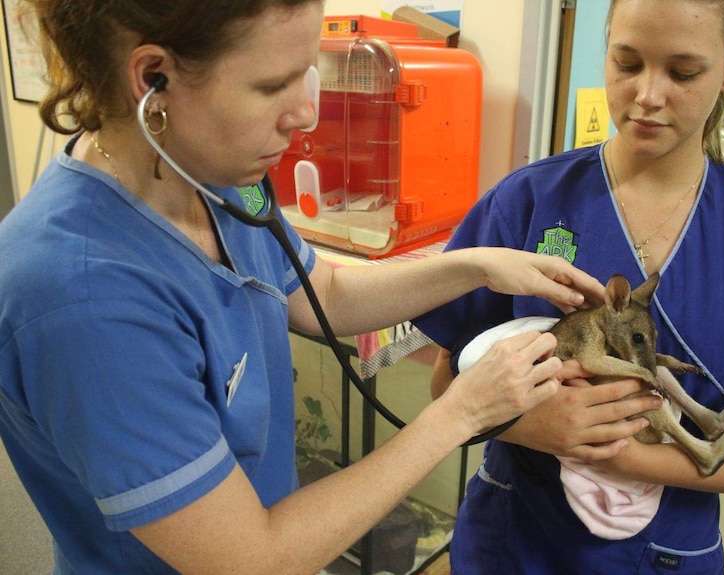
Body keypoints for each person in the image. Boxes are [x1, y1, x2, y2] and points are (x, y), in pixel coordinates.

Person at [0, 2, 666, 574]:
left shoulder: (211, 170)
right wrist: (461, 413)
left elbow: (325, 295)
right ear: (154, 78)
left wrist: (480, 264)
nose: (309, 112)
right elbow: (251, 557)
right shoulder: (80, 298)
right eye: (274, 84)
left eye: (309, 67)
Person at [413, 0, 724, 573]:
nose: (648, 96)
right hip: (511, 541)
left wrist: (620, 454)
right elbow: (446, 379)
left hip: (662, 554)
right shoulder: (527, 202)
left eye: (682, 72)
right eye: (627, 63)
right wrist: (536, 426)